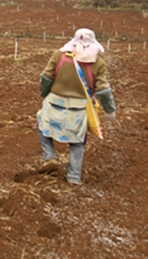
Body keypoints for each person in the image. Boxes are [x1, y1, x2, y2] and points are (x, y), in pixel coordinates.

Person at [36, 28, 116, 185]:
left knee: (41, 128)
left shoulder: (58, 55)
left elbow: (45, 77)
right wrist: (110, 110)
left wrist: (44, 94)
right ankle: (73, 178)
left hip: (54, 102)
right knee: (77, 143)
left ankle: (50, 157)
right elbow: (103, 90)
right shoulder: (98, 64)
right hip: (78, 108)